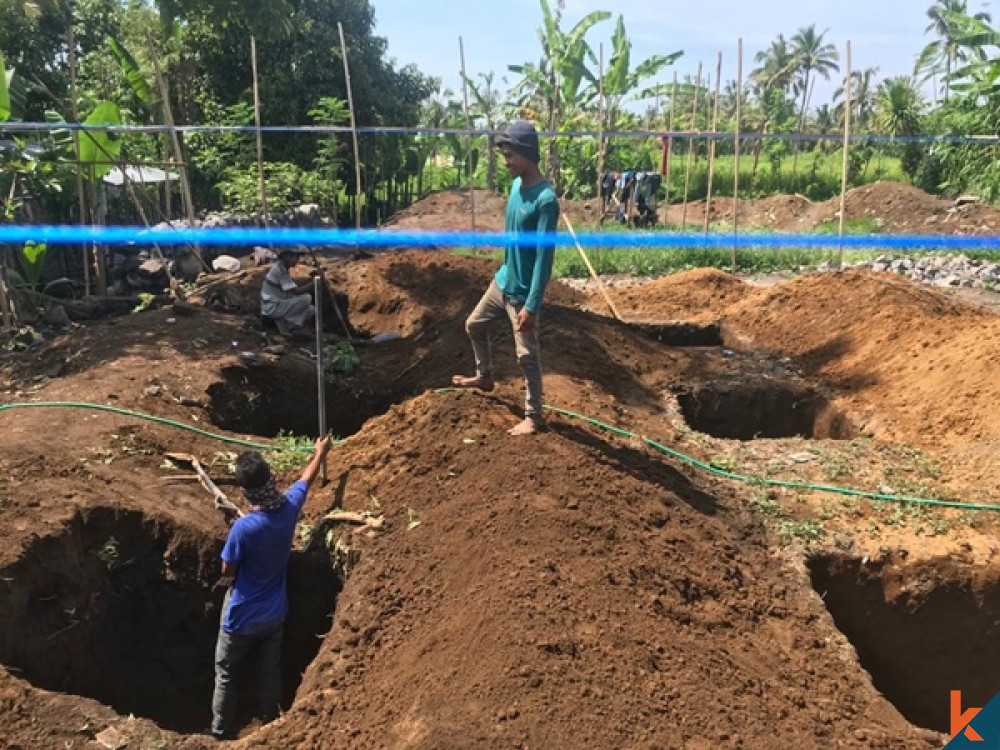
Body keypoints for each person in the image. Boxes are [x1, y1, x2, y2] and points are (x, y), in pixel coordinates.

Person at [209, 436, 331, 740]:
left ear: (246, 491)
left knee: (225, 674)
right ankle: (271, 722)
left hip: (240, 618)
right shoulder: (289, 507)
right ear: (271, 479)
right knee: (269, 671)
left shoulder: (244, 528)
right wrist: (319, 452)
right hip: (274, 614)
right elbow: (306, 479)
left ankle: (220, 733)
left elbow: (227, 570)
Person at [452, 121, 560, 436]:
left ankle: (534, 416)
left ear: (527, 154)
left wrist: (532, 305)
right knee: (474, 325)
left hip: (522, 293)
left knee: (526, 354)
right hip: (503, 281)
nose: (506, 161)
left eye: (510, 155)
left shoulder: (545, 201)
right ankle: (484, 376)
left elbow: (544, 258)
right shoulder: (515, 186)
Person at [260, 247, 321, 336]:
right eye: (294, 257)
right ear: (285, 256)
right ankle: (282, 323)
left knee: (311, 310)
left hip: (278, 303)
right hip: (272, 308)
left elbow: (292, 289)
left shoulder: (282, 268)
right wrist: (315, 281)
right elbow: (297, 291)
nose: (296, 260)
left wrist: (312, 279)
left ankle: (286, 325)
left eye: (297, 257)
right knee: (306, 298)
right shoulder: (279, 271)